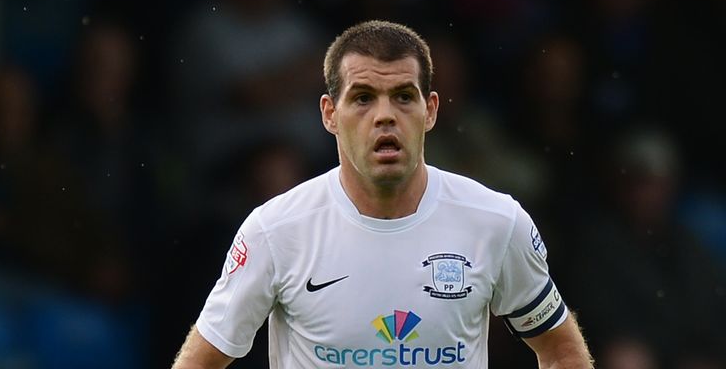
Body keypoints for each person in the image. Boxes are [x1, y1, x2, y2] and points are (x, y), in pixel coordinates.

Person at [172, 20, 594, 368]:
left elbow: (560, 351)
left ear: (430, 110)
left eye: (403, 97)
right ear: (329, 114)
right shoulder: (276, 230)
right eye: (363, 98)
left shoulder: (497, 222)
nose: (385, 115)